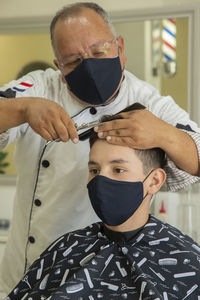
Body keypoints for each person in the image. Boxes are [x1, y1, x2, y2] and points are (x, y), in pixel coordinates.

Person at [0, 2, 200, 294]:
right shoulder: (40, 88)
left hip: (108, 262)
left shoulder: (149, 102)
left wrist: (164, 134)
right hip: (33, 263)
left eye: (98, 52)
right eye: (73, 60)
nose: (89, 66)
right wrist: (22, 110)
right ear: (59, 67)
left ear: (119, 46)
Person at [6, 105, 200, 300]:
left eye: (118, 170)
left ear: (154, 181)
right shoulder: (67, 248)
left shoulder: (188, 260)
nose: (101, 181)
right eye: (95, 171)